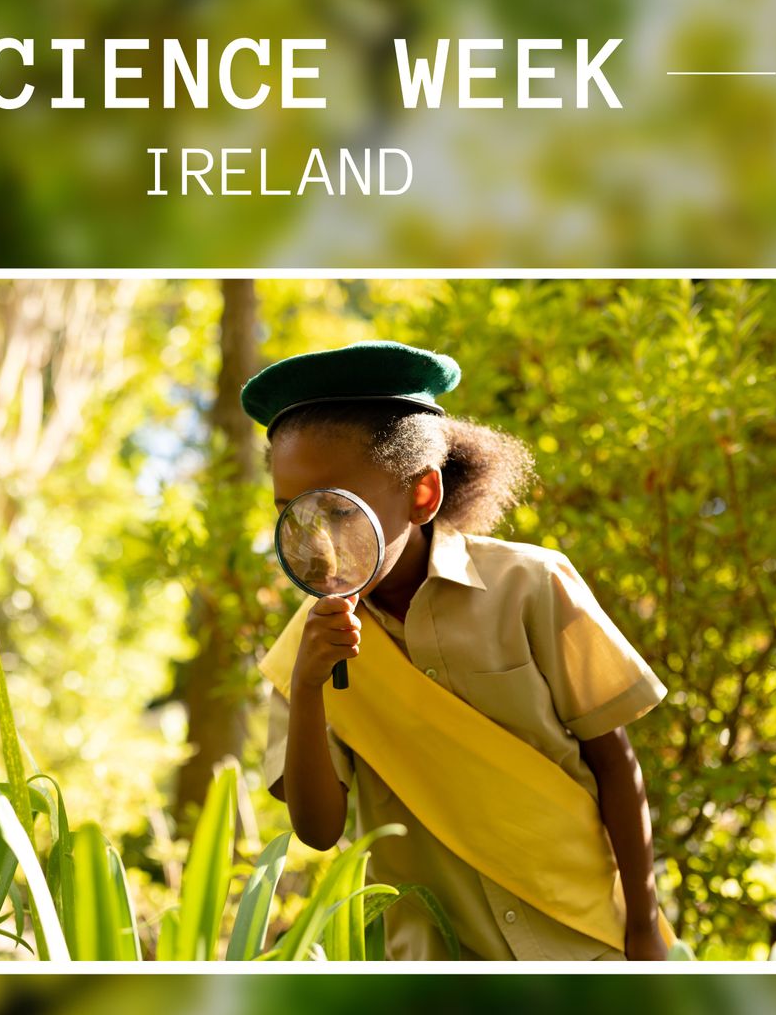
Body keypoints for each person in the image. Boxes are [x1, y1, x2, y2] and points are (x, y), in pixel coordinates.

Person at [240, 340, 671, 961]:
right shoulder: (302, 651)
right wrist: (308, 689)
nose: (317, 540)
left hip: (582, 941)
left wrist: (643, 928)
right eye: (292, 513)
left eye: (337, 509)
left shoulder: (534, 586)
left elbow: (614, 763)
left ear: (422, 496)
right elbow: (318, 830)